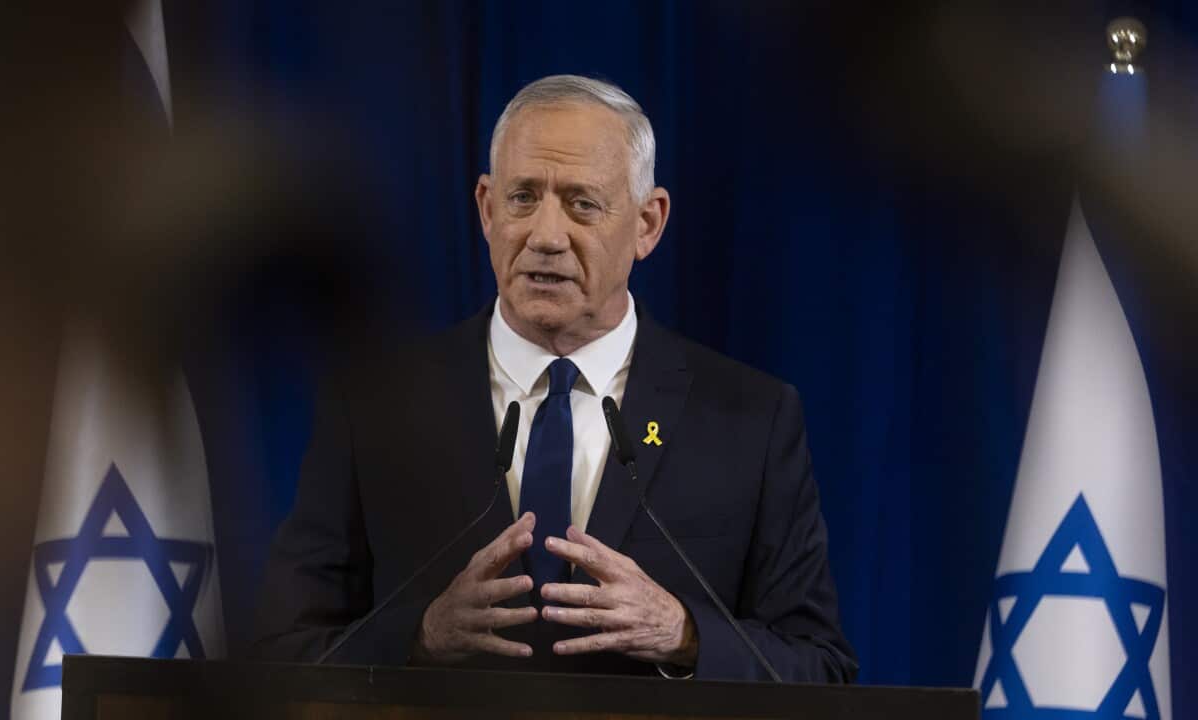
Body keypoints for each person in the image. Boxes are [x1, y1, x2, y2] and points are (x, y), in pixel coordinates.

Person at [254, 74, 857, 683]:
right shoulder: (377, 405)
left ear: (648, 224)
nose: (545, 237)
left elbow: (821, 668)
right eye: (522, 198)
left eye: (582, 203)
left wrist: (684, 634)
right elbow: (282, 654)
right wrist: (421, 634)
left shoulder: (750, 419)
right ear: (487, 209)